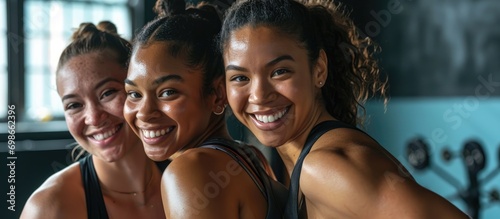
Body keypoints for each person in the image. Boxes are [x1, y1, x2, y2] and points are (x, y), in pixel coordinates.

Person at [220, 0, 471, 218]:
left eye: (279, 71)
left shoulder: (324, 166)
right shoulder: (305, 163)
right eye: (240, 78)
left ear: (318, 70)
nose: (260, 95)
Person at [123, 0, 287, 218]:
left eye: (167, 92)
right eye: (134, 94)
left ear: (217, 94)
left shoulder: (191, 170)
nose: (144, 112)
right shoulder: (250, 156)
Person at [20, 21, 166, 219]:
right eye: (74, 105)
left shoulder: (187, 178)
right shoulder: (49, 208)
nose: (94, 118)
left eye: (107, 93)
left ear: (137, 89)